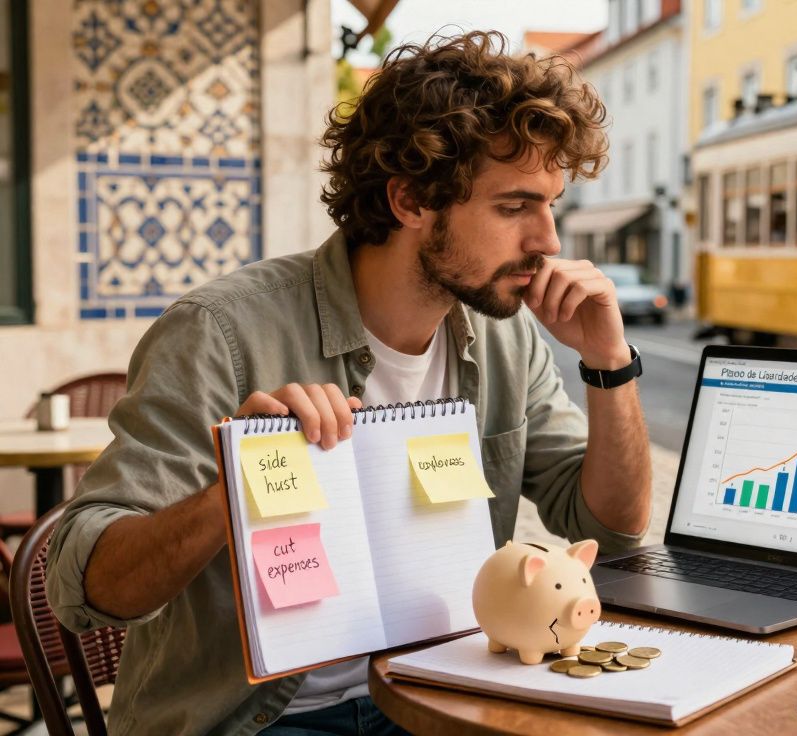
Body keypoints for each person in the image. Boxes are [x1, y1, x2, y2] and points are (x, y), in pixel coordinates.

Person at [45, 31, 652, 735]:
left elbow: (609, 528)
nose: (547, 240)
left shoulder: (502, 331)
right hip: (261, 718)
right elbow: (83, 588)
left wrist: (611, 365)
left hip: (437, 694)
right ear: (409, 200)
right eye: (515, 208)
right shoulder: (220, 331)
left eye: (551, 205)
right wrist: (238, 485)